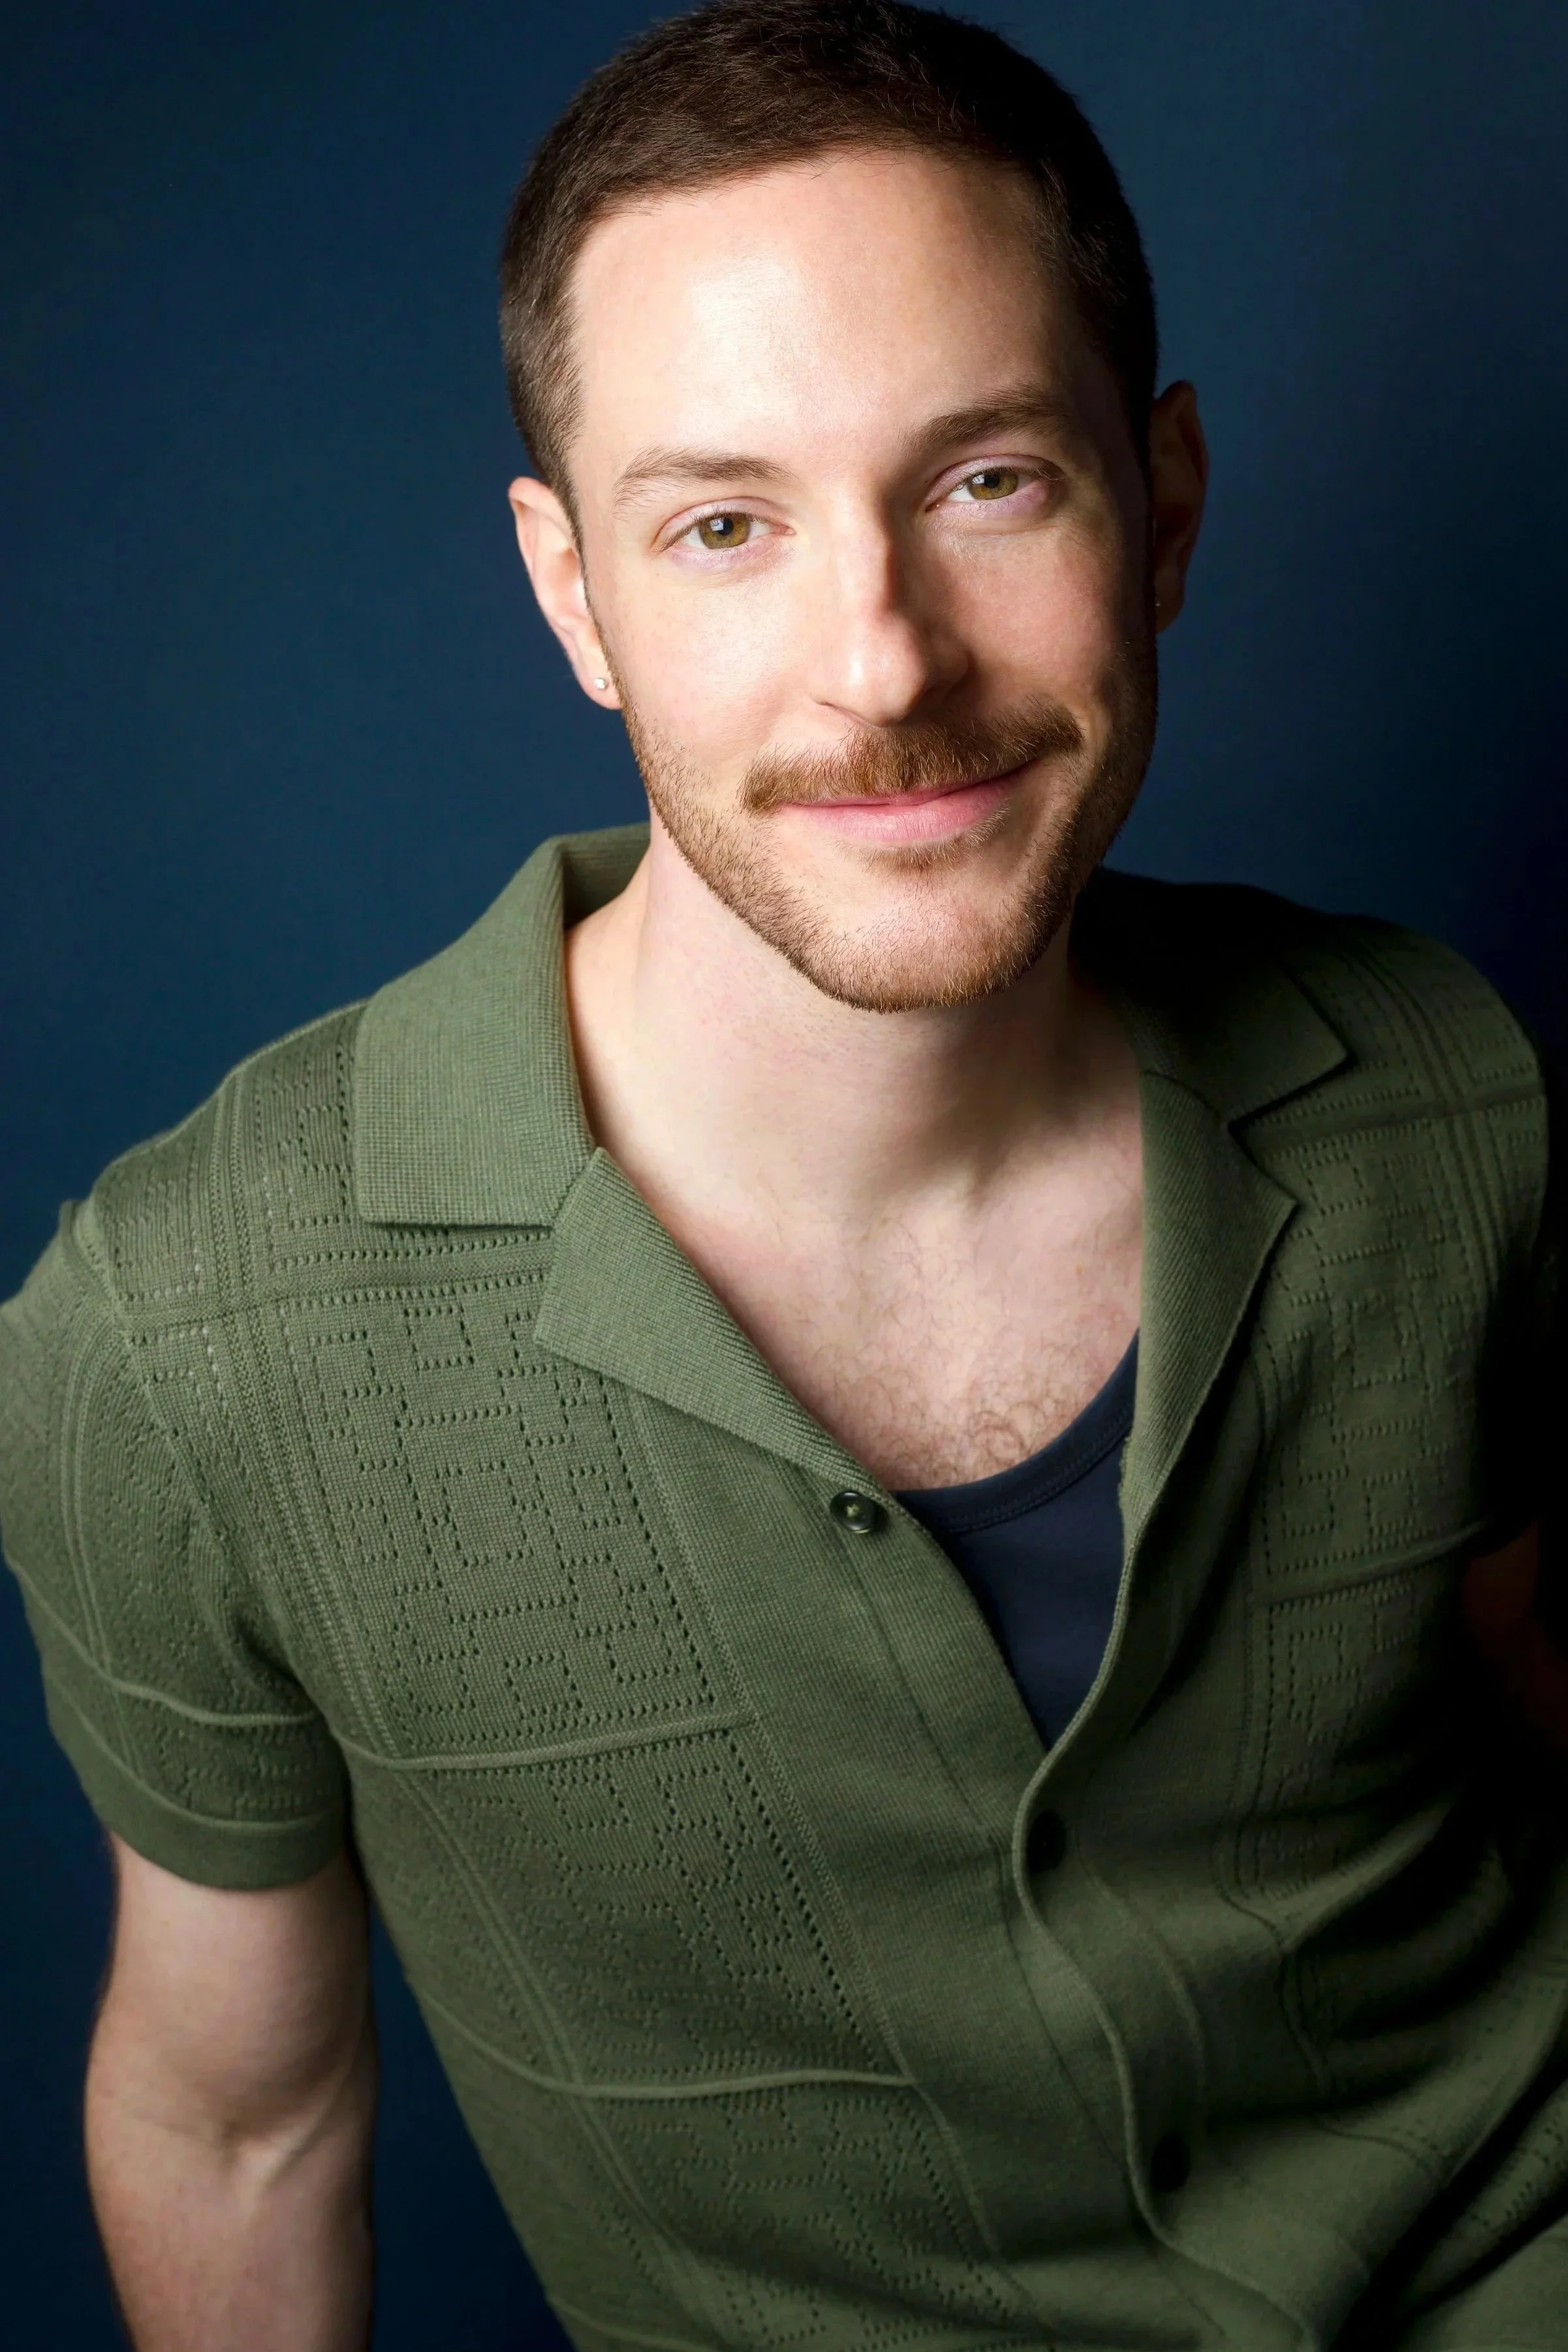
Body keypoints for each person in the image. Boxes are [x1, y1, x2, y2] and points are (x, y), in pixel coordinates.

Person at [2, 3, 1565, 2345]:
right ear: (572, 595)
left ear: (1168, 504)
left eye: (988, 483)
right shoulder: (184, 1331)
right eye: (725, 524)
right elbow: (238, 2121)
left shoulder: (1445, 1087)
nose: (883, 666)